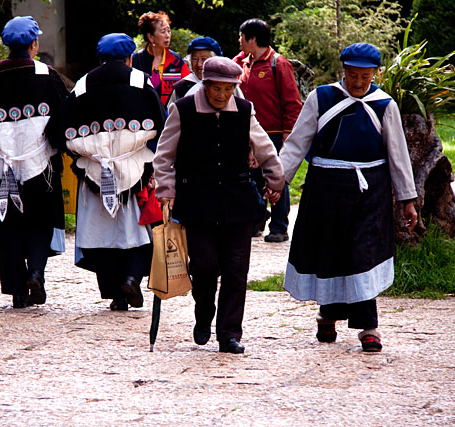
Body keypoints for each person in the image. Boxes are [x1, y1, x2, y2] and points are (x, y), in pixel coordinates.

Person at [279, 43, 418, 352]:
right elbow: (297, 143)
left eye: (364, 77)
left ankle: (369, 326)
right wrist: (277, 182)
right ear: (342, 72)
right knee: (329, 251)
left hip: (370, 192)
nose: (357, 83)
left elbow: (398, 155)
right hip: (325, 189)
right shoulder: (322, 98)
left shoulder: (384, 105)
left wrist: (407, 199)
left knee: (362, 255)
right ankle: (327, 315)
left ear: (375, 74)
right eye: (352, 75)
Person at [153, 57, 284, 354]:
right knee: (204, 266)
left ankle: (229, 334)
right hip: (196, 201)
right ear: (205, 84)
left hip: (238, 202)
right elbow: (164, 155)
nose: (222, 95)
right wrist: (166, 189)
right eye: (217, 88)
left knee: (237, 269)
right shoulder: (183, 109)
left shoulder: (243, 110)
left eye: (228, 89)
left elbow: (264, 147)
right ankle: (203, 312)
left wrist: (275, 180)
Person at [47, 33, 166, 311]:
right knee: (138, 231)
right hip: (134, 169)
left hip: (94, 172)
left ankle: (116, 294)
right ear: (129, 58)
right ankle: (132, 277)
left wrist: (80, 154)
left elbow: (59, 130)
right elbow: (160, 125)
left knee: (101, 234)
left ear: (99, 59)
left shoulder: (83, 85)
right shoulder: (141, 82)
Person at [0, 16, 69, 308]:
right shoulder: (46, 76)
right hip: (41, 168)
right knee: (41, 221)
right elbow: (63, 120)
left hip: (0, 170)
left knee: (9, 226)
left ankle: (17, 291)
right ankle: (36, 272)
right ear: (34, 44)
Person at [234, 18, 302, 242]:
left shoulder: (278, 64)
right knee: (249, 178)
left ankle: (279, 226)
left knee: (275, 177)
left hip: (273, 133)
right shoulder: (241, 62)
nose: (239, 41)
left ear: (252, 39)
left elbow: (292, 103)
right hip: (246, 133)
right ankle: (257, 218)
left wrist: (287, 136)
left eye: (242, 37)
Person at [132, 11, 190, 106]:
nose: (167, 35)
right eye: (163, 32)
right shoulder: (136, 60)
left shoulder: (176, 61)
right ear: (150, 37)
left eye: (169, 30)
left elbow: (188, 88)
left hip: (169, 116)